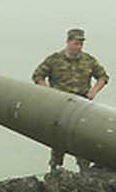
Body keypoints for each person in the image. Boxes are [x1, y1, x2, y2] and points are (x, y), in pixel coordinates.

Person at [32, 28, 109, 169]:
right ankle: (55, 170)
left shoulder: (89, 60)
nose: (78, 47)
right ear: (68, 42)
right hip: (60, 105)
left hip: (82, 106)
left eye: (81, 44)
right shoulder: (54, 59)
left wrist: (94, 91)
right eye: (76, 43)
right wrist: (48, 91)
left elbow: (103, 77)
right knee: (58, 141)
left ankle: (84, 172)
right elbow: (37, 75)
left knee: (82, 140)